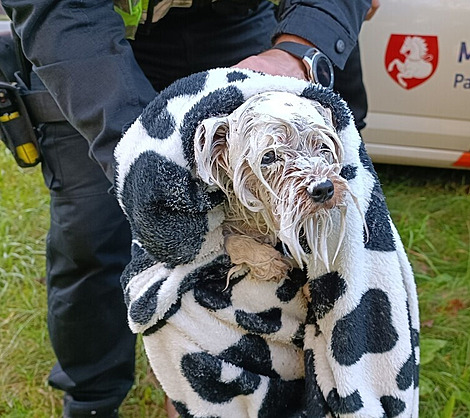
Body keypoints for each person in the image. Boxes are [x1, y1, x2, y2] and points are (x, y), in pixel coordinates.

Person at [0, 0, 376, 416]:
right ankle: (92, 400)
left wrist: (299, 48)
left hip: (232, 22)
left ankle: (249, 390)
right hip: (90, 33)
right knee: (91, 234)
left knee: (276, 229)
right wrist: (145, 157)